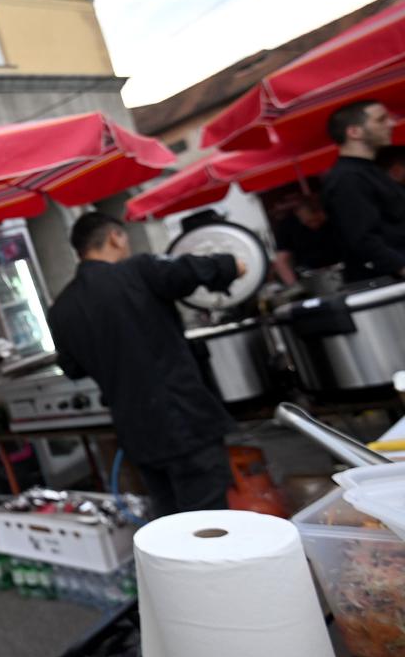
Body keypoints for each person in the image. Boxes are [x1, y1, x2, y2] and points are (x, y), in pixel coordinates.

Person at [46, 212, 244, 518]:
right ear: (115, 237)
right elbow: (188, 270)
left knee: (171, 521)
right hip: (184, 421)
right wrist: (233, 265)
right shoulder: (138, 271)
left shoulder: (61, 310)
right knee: (210, 520)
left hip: (136, 434)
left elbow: (72, 367)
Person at [321, 100, 405, 283]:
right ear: (354, 132)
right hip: (385, 285)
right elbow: (362, 239)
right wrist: (400, 267)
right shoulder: (347, 178)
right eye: (381, 120)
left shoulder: (367, 171)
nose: (391, 124)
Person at [271, 194, 340, 286]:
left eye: (318, 220)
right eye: (309, 221)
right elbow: (281, 261)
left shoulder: (333, 218)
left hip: (341, 268)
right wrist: (294, 286)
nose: (314, 225)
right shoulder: (287, 226)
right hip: (309, 276)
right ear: (298, 214)